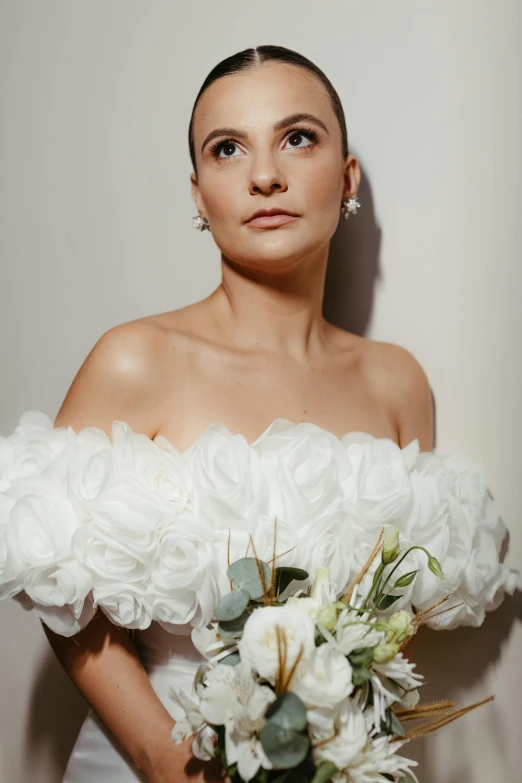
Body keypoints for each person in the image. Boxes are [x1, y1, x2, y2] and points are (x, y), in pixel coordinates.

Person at [8, 44, 437, 782]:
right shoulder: (133, 359)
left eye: (297, 137)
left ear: (347, 177)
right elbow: (57, 589)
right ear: (199, 194)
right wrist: (165, 758)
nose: (264, 175)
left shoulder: (399, 383)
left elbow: (393, 623)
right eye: (228, 148)